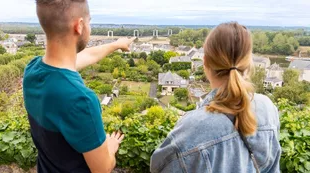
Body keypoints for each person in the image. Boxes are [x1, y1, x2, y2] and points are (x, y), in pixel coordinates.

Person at [150, 22, 281, 173]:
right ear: (248, 64)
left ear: (205, 62)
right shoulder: (267, 107)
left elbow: (159, 167)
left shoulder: (193, 128)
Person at [23, 0, 135, 172]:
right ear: (80, 26)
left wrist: (116, 45)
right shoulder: (80, 99)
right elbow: (102, 168)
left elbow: (84, 57)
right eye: (89, 21)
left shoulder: (32, 71)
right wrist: (110, 146)